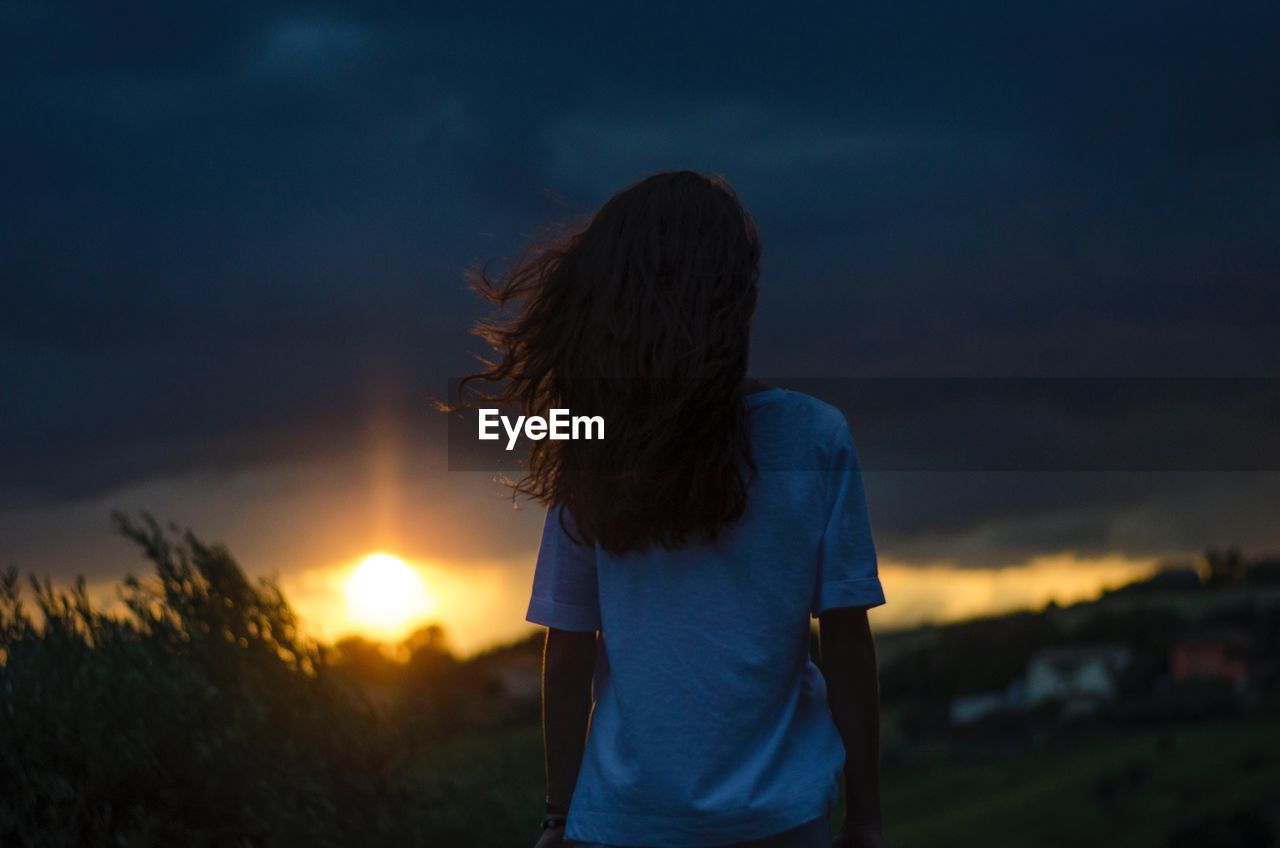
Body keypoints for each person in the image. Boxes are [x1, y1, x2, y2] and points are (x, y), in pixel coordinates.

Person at [461, 171, 886, 848]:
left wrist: (556, 817)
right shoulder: (814, 435)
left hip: (624, 824)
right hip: (780, 822)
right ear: (734, 298)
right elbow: (845, 641)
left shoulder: (591, 442)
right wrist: (866, 818)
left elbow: (568, 646)